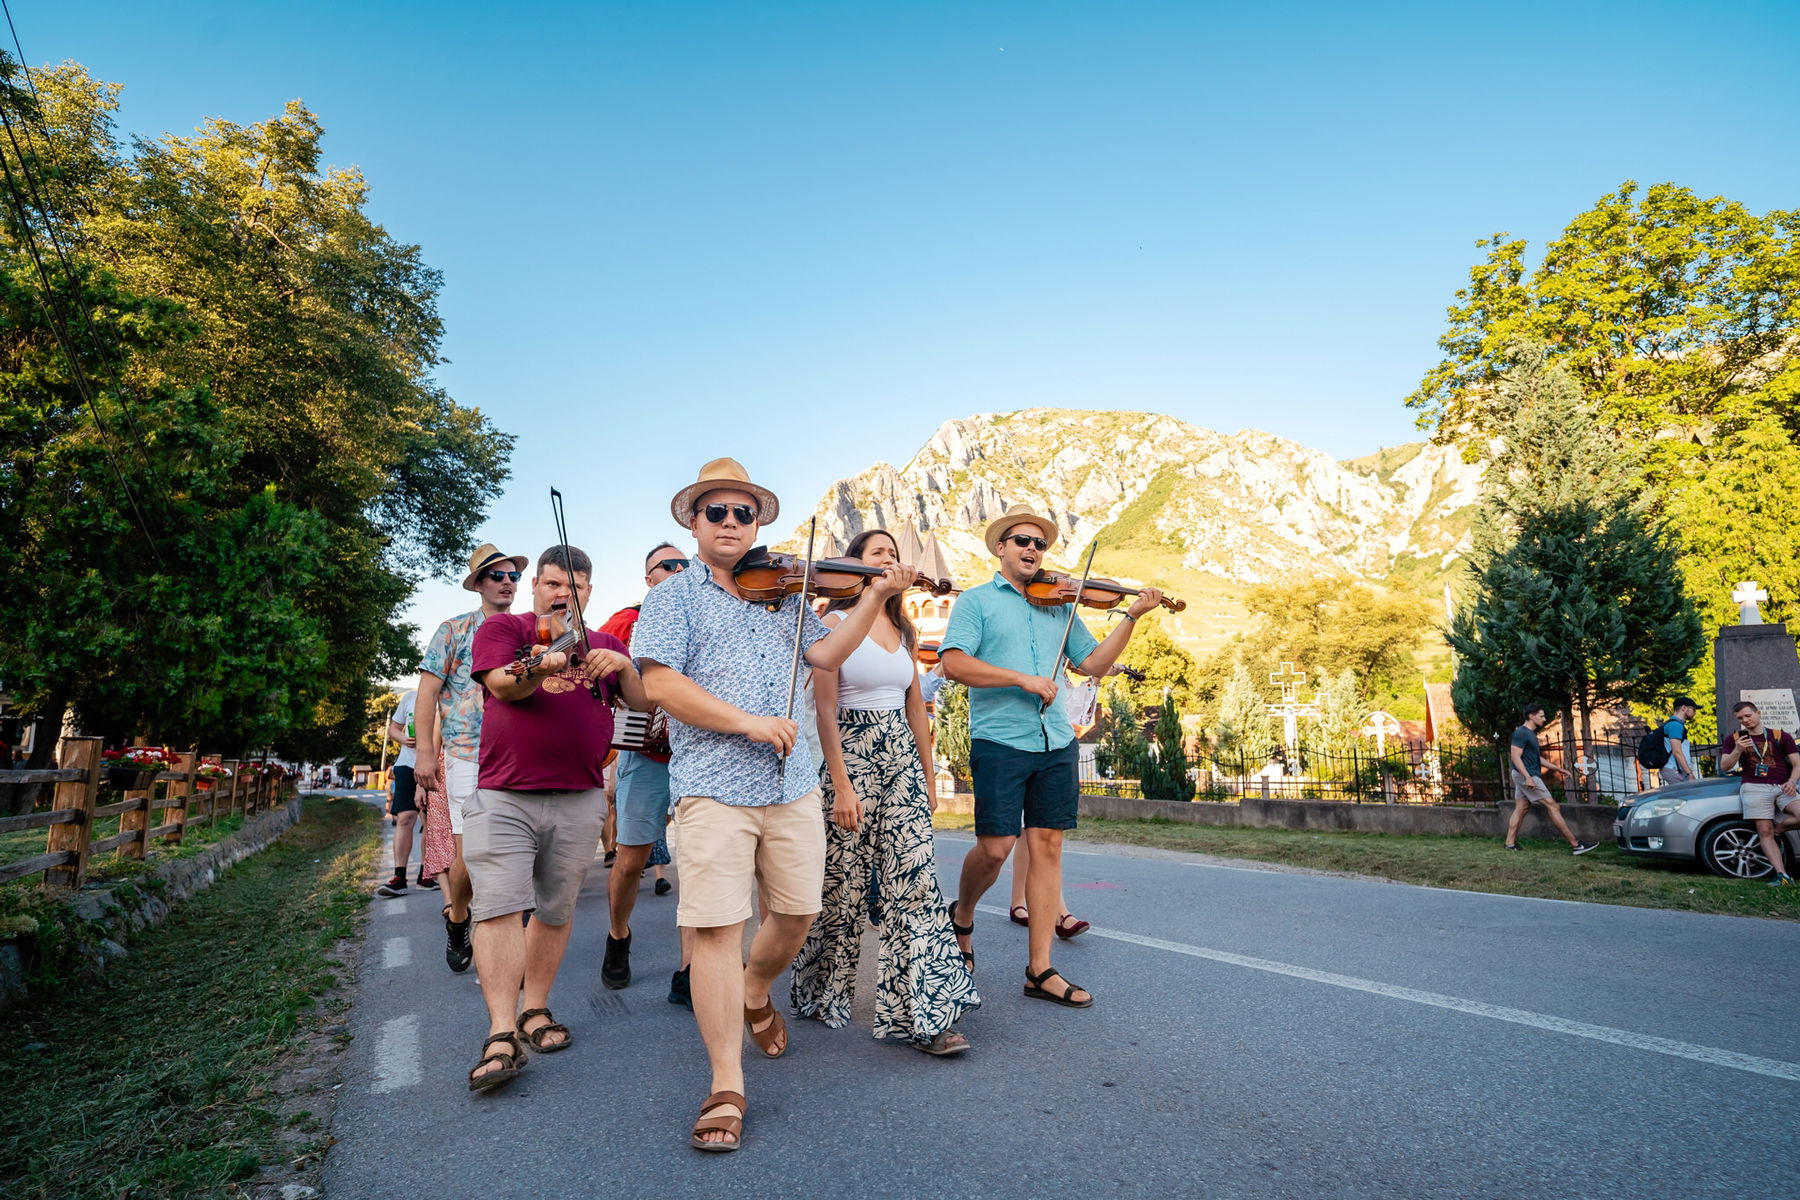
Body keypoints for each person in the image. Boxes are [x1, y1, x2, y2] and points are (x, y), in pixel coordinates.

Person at [632, 458, 909, 1151]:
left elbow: (828, 658)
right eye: (716, 513)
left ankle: (757, 990)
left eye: (743, 513)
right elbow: (661, 684)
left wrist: (873, 596)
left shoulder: (786, 597)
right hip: (712, 787)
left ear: (758, 523)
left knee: (797, 913)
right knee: (718, 930)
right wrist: (747, 722)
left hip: (790, 785)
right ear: (693, 523)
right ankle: (727, 1082)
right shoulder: (673, 598)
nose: (731, 524)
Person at [940, 503, 1160, 1011]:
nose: (1032, 550)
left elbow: (1090, 663)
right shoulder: (976, 602)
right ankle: (964, 913)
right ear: (1001, 547)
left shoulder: (1061, 604)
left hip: (1055, 739)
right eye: (1021, 541)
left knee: (1048, 848)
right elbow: (953, 663)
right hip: (1000, 739)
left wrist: (1130, 617)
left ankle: (1039, 969)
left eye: (1039, 544)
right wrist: (1021, 678)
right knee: (996, 850)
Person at [462, 544, 647, 1092]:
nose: (563, 594)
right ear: (535, 586)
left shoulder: (606, 643)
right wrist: (540, 667)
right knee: (498, 907)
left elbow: (641, 703)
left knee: (555, 909)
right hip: (506, 793)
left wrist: (625, 665)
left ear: (590, 593)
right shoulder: (507, 632)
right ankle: (499, 1032)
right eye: (552, 585)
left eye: (576, 587)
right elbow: (503, 685)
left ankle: (534, 1010)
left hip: (581, 794)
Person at [789, 529, 979, 1056]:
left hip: (899, 757)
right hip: (849, 752)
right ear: (856, 568)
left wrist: (926, 773)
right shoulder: (830, 624)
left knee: (915, 884)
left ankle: (922, 1014)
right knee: (843, 887)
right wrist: (842, 785)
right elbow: (825, 710)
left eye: (895, 555)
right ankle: (821, 988)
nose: (891, 562)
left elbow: (916, 706)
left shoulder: (906, 629)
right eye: (879, 554)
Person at [414, 543, 525, 972]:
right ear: (478, 584)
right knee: (466, 858)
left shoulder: (526, 631)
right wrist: (426, 751)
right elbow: (427, 691)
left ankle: (506, 938)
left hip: (518, 754)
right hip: (466, 754)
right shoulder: (454, 630)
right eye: (497, 575)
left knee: (517, 851)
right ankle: (458, 917)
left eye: (512, 575)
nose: (507, 582)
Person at [595, 542, 694, 997]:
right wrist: (612, 694)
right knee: (632, 857)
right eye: (667, 566)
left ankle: (691, 970)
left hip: (703, 754)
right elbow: (588, 664)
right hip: (647, 751)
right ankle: (619, 935)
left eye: (684, 564)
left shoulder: (708, 611)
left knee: (699, 861)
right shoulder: (626, 620)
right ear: (649, 578)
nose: (678, 570)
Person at [1717, 700, 1799, 886]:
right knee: (1764, 830)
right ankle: (1782, 876)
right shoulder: (1734, 739)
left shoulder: (1780, 736)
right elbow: (1725, 766)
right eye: (1740, 718)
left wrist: (1792, 781)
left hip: (1783, 785)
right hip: (1754, 786)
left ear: (1758, 713)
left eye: (1748, 715)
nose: (1745, 720)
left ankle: (1779, 829)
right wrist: (1738, 750)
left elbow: (1797, 763)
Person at [1504, 703, 1597, 854]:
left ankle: (1509, 843)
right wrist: (1528, 777)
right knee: (1553, 806)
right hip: (1526, 775)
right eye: (1541, 716)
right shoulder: (1521, 733)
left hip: (1525, 775)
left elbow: (1537, 758)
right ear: (1531, 716)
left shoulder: (1531, 735)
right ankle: (1576, 845)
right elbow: (1515, 756)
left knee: (1522, 807)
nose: (1544, 719)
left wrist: (1558, 768)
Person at [376, 688, 428, 897]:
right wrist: (403, 739)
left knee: (430, 822)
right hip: (407, 764)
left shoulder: (447, 695)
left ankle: (427, 874)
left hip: (434, 765)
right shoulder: (410, 697)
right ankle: (399, 877)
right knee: (405, 818)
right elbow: (394, 729)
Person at [1657, 696, 1700, 786]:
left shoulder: (1673, 724)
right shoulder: (1675, 725)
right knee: (1688, 795)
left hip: (1675, 769)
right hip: (1673, 769)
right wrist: (1689, 773)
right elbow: (1677, 751)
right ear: (1684, 708)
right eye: (1693, 709)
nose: (1695, 712)